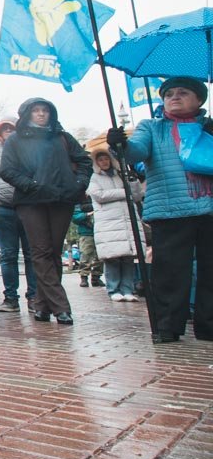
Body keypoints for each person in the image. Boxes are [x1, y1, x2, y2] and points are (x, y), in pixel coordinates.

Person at [107, 76, 213, 343]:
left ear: (199, 99)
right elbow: (136, 152)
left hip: (209, 209)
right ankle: (168, 326)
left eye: (182, 92)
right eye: (168, 94)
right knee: (170, 273)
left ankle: (209, 325)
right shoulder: (152, 127)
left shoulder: (208, 127)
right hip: (170, 210)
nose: (174, 97)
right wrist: (120, 144)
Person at [0, 98, 92, 326]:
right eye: (36, 110)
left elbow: (84, 161)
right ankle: (61, 306)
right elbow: (7, 170)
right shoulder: (15, 140)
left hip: (61, 199)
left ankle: (42, 304)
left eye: (45, 110)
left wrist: (78, 184)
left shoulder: (63, 137)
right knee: (40, 251)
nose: (41, 114)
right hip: (31, 202)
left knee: (54, 251)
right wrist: (31, 185)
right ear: (26, 114)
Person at [0, 117, 38, 313]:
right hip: (3, 208)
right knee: (8, 255)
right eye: (5, 129)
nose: (9, 132)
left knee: (31, 253)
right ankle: (10, 297)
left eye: (12, 128)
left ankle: (34, 296)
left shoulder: (28, 149)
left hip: (28, 206)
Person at [88, 147, 143, 303]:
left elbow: (137, 196)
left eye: (106, 158)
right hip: (109, 223)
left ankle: (127, 289)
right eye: (100, 160)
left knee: (128, 258)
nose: (104, 162)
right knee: (112, 258)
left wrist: (133, 182)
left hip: (126, 221)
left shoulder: (121, 175)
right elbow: (99, 195)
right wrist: (124, 193)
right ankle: (113, 289)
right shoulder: (95, 178)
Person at [71, 196, 104, 288]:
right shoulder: (80, 202)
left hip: (101, 231)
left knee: (100, 256)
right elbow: (75, 217)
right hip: (86, 233)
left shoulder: (98, 198)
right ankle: (84, 277)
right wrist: (87, 214)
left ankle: (96, 277)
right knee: (85, 255)